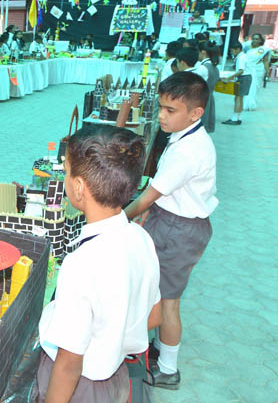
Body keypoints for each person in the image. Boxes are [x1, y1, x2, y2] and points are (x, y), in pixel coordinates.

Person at [32, 124, 161, 403]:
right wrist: (113, 341)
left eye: (66, 171)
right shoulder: (142, 238)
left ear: (78, 187)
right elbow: (154, 316)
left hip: (80, 388)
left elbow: (68, 364)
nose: (65, 177)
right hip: (117, 376)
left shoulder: (81, 264)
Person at [125, 72, 217, 390]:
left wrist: (116, 218)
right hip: (173, 222)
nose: (162, 116)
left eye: (170, 110)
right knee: (159, 293)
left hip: (178, 229)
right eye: (161, 107)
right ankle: (160, 347)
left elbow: (148, 197)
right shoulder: (185, 137)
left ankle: (167, 369)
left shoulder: (187, 151)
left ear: (195, 113)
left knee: (168, 302)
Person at [221, 42, 250, 125]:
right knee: (240, 97)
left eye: (232, 51)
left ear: (238, 49)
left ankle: (234, 118)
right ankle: (238, 117)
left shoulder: (241, 58)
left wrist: (228, 78)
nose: (231, 52)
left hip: (243, 78)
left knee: (238, 98)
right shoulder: (243, 56)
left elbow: (241, 71)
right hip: (246, 77)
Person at [243, 33, 271, 111]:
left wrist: (267, 72)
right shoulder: (247, 48)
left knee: (255, 87)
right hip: (247, 69)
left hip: (258, 70)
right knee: (247, 87)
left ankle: (251, 104)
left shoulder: (264, 50)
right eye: (254, 39)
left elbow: (265, 61)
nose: (255, 40)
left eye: (257, 39)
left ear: (260, 41)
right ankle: (245, 104)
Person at [197, 42, 220, 133]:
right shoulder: (214, 67)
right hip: (209, 97)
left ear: (203, 52)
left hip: (201, 98)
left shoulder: (203, 68)